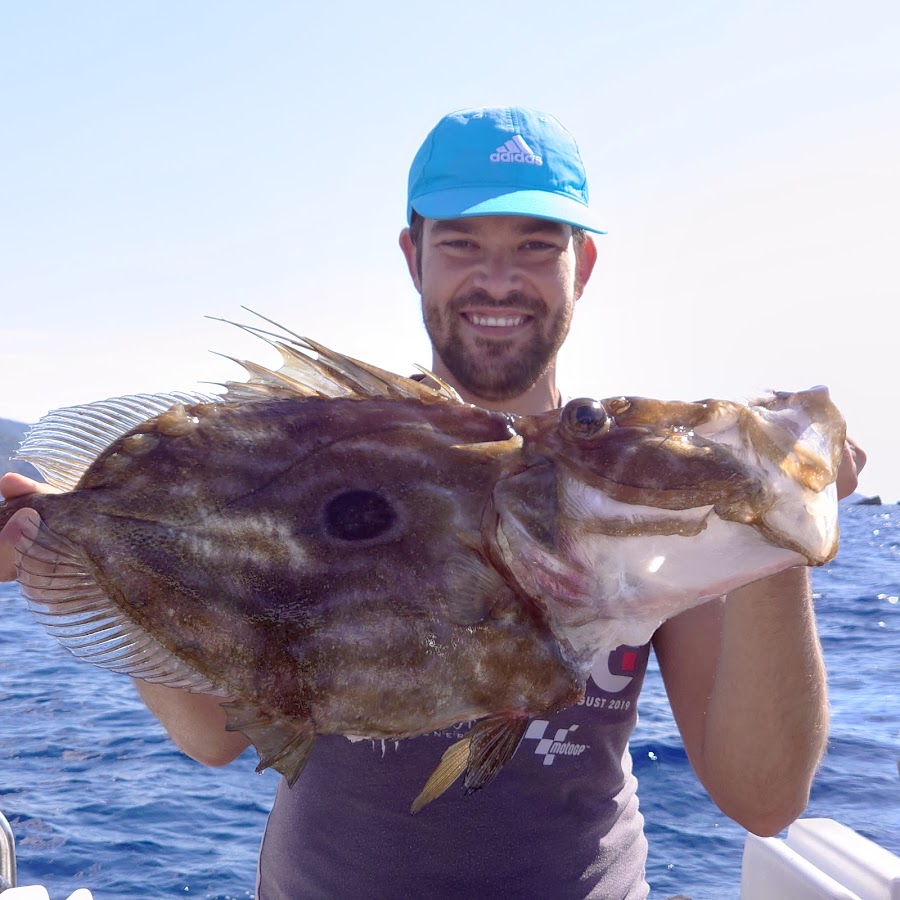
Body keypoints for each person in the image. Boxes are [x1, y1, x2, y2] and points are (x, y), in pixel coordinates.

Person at [0, 106, 867, 899]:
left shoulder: (631, 496)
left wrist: (778, 528)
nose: (498, 280)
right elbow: (216, 738)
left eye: (536, 244)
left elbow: (762, 799)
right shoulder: (334, 446)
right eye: (461, 243)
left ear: (582, 264)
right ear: (413, 256)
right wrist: (61, 556)